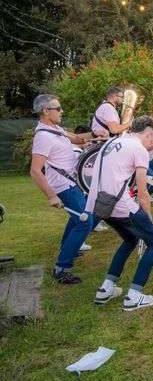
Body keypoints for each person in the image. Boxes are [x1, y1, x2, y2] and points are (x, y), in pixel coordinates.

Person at [86, 116, 153, 311]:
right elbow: (143, 189)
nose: (150, 143)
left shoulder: (112, 142)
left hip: (101, 204)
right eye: (151, 140)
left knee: (130, 240)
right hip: (121, 205)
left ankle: (106, 288)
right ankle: (134, 295)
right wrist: (146, 218)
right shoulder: (139, 149)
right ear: (148, 134)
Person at [30, 94, 105, 284]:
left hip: (72, 182)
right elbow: (35, 171)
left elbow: (76, 139)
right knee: (85, 222)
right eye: (58, 108)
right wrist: (51, 196)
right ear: (46, 111)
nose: (62, 111)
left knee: (78, 219)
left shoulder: (55, 129)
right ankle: (62, 269)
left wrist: (95, 136)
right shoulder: (43, 137)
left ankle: (68, 250)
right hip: (63, 185)